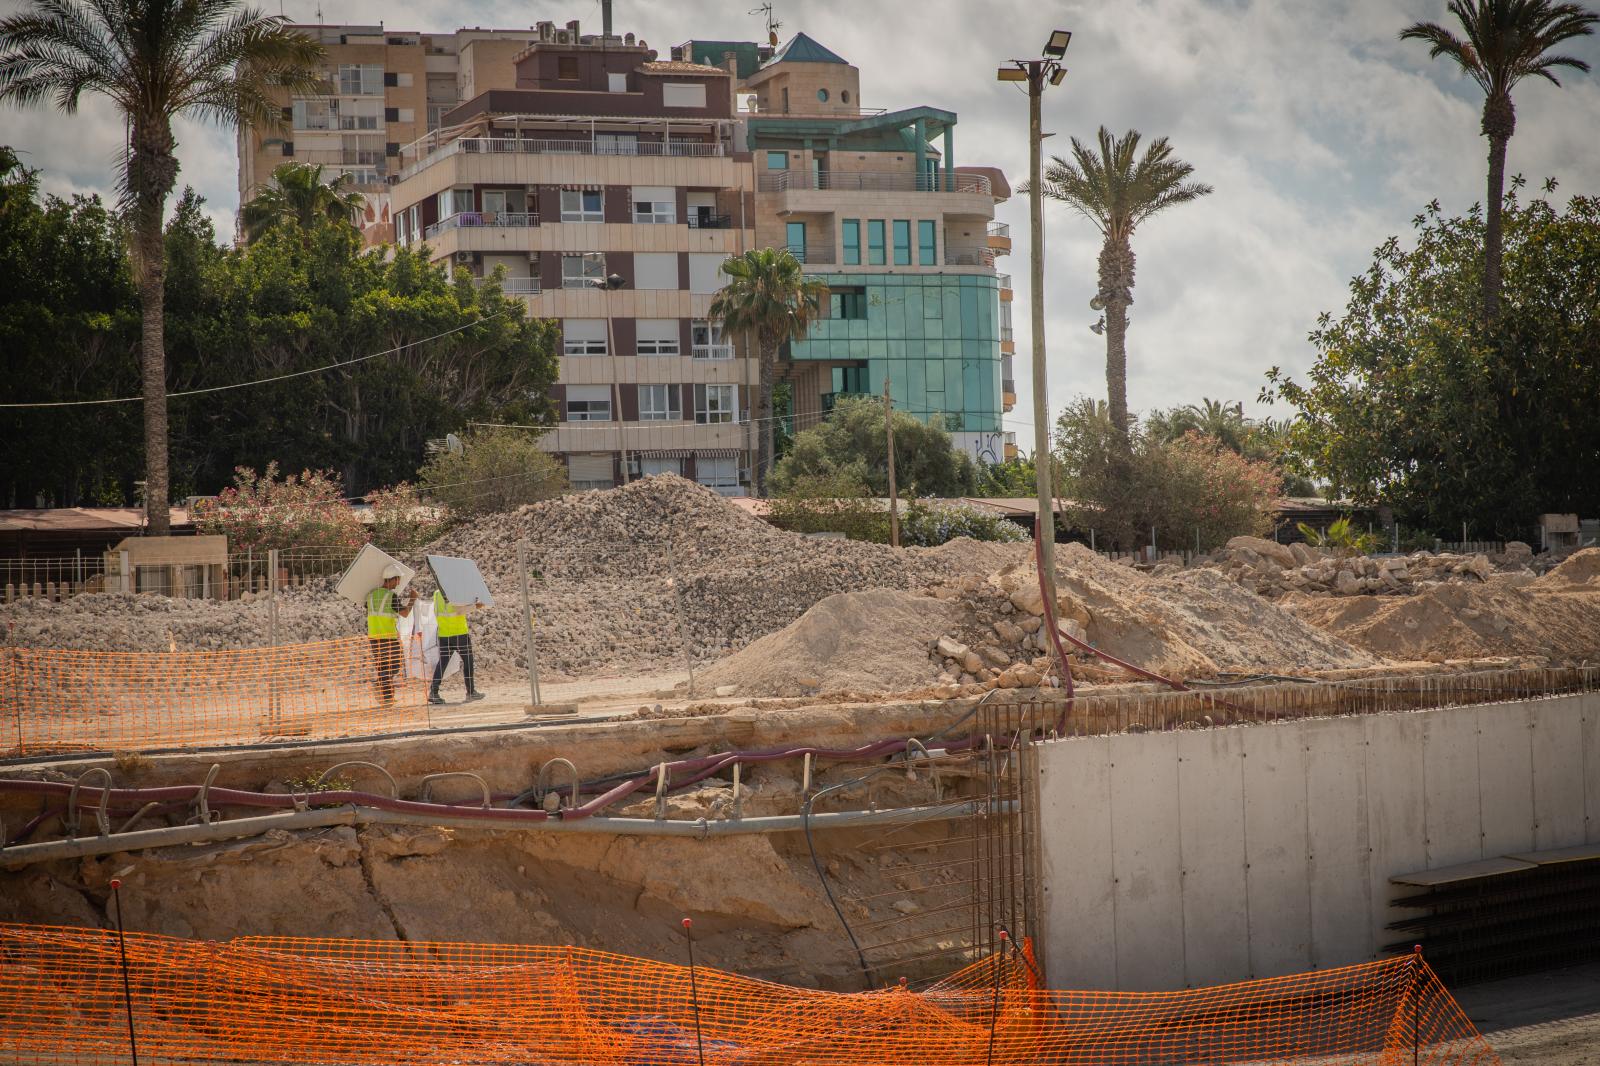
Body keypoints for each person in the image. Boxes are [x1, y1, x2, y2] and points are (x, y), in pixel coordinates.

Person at [366, 565, 416, 704]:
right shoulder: (391, 596)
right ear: (392, 579)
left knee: (382, 667)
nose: (398, 583)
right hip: (388, 637)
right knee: (395, 665)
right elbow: (405, 613)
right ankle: (380, 685)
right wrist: (413, 599)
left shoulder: (370, 595)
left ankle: (387, 699)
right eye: (398, 580)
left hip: (374, 638)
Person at [430, 586, 485, 705]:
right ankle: (471, 692)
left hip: (444, 635)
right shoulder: (454, 591)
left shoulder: (436, 594)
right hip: (459, 634)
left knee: (442, 663)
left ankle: (433, 692)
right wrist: (476, 606)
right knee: (468, 661)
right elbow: (459, 610)